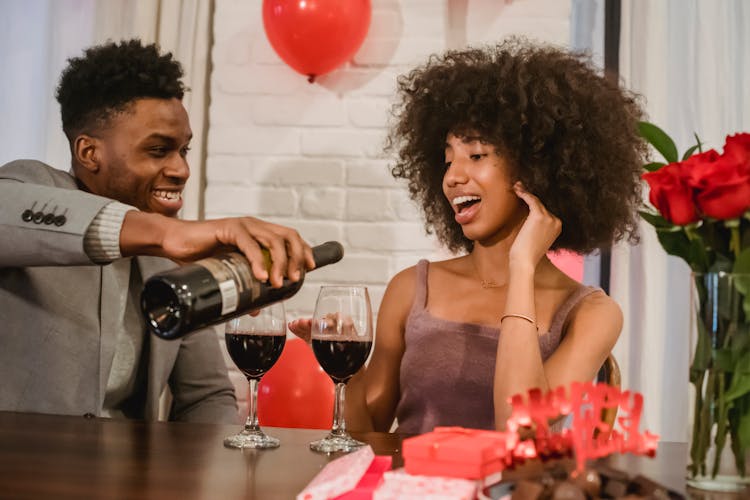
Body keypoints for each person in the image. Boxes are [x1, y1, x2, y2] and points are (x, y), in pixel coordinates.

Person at [290, 38, 646, 433]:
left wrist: (522, 267)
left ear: (535, 168)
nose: (453, 176)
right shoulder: (411, 289)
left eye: (476, 156)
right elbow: (364, 435)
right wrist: (344, 368)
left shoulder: (591, 313)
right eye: (447, 160)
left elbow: (520, 433)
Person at [0, 39, 314, 423]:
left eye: (183, 150)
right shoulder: (32, 187)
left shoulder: (170, 257)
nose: (181, 169)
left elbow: (206, 397)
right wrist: (168, 234)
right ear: (89, 153)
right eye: (158, 150)